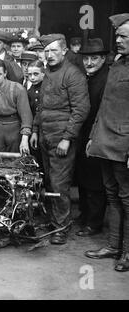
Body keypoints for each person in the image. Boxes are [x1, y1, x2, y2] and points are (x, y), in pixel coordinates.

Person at [30, 34, 90, 245]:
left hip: (61, 139)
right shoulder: (47, 73)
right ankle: (54, 220)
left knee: (59, 184)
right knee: (49, 181)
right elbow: (41, 107)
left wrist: (67, 138)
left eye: (54, 50)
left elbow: (81, 110)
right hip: (46, 137)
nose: (50, 55)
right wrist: (36, 130)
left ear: (64, 51)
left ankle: (62, 227)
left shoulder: (73, 75)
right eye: (47, 51)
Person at [84, 14, 129, 272]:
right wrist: (92, 136)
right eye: (118, 36)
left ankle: (127, 252)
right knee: (112, 196)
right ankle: (113, 245)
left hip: (123, 143)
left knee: (127, 199)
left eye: (123, 37)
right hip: (104, 140)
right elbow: (104, 106)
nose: (118, 41)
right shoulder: (117, 64)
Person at [75, 38, 109, 237]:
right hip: (82, 133)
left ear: (103, 58)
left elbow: (103, 112)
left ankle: (94, 222)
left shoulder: (106, 79)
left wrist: (94, 137)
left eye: (94, 58)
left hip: (97, 135)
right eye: (86, 58)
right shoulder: (85, 77)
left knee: (95, 181)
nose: (89, 62)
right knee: (82, 176)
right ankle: (84, 215)